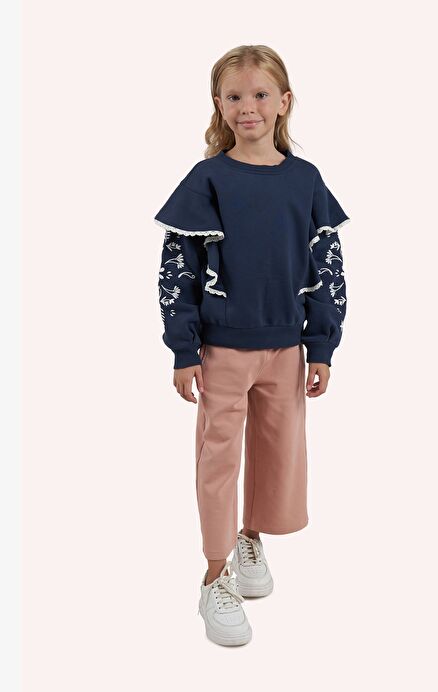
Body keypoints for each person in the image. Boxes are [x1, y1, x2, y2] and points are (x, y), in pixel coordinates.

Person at [154, 45, 351, 647]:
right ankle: (215, 575)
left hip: (286, 349)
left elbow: (328, 266)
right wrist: (184, 349)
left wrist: (322, 346)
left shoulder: (306, 180)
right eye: (234, 96)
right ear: (219, 105)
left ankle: (250, 539)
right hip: (221, 350)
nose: (248, 107)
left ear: (284, 102)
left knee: (277, 452)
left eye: (261, 94)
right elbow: (177, 267)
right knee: (219, 457)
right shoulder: (207, 179)